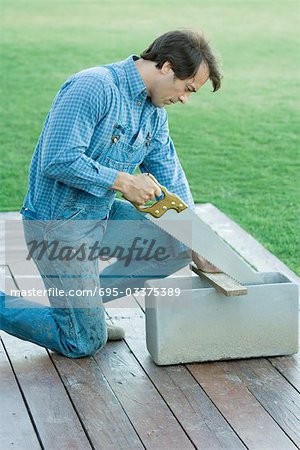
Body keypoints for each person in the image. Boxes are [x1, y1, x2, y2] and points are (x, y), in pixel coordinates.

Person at [0, 29, 221, 358]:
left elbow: (170, 174)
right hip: (57, 225)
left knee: (179, 241)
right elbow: (57, 159)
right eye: (187, 88)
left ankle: (81, 308)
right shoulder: (94, 86)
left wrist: (197, 239)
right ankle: (79, 320)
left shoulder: (154, 113)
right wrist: (124, 182)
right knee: (83, 342)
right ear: (168, 67)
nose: (185, 98)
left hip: (99, 217)